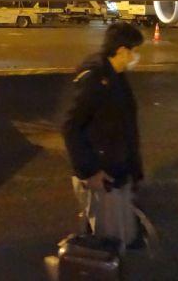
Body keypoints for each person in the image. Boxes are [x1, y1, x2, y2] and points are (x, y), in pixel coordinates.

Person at [62, 22, 145, 251]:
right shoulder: (95, 79)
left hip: (118, 171)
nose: (136, 57)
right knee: (106, 240)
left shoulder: (117, 77)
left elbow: (125, 127)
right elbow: (70, 127)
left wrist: (134, 170)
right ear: (122, 51)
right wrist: (89, 172)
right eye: (134, 51)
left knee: (122, 237)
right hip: (102, 175)